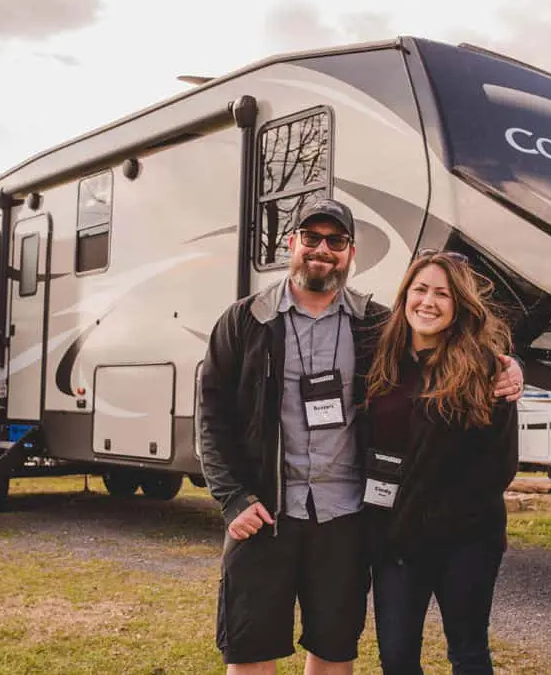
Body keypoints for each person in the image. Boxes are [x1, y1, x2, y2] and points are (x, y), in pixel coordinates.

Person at [198, 199, 524, 675]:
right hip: (265, 512)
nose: (322, 250)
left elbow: (447, 347)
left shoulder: (376, 325)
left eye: (336, 241)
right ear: (292, 244)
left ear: (351, 253)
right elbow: (211, 416)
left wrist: (509, 367)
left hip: (346, 517)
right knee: (250, 653)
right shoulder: (245, 321)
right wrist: (232, 500)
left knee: (333, 651)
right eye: (311, 238)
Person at [362, 250, 520, 675]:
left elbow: (499, 467)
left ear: (460, 305)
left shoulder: (487, 369)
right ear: (405, 296)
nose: (428, 302)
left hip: (465, 540)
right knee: (396, 658)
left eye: (442, 294)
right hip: (394, 540)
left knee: (467, 654)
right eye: (420, 290)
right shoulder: (380, 357)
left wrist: (433, 519)